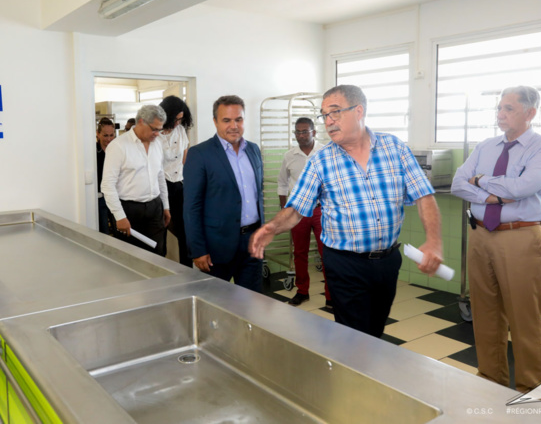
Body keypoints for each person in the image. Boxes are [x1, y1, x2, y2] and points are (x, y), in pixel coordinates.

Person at [250, 85, 443, 338]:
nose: (328, 121)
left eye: (335, 112)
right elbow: (296, 209)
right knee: (354, 335)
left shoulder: (394, 148)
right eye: (324, 115)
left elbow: (423, 195)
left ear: (359, 111)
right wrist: (271, 227)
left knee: (374, 329)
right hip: (344, 263)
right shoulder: (321, 160)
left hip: (387, 261)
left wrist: (434, 241)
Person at [450, 86, 541, 393]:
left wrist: (481, 181)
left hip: (519, 237)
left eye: (508, 108)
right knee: (484, 313)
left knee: (524, 318)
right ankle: (490, 380)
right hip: (480, 234)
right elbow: (459, 184)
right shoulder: (485, 146)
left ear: (530, 113)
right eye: (499, 108)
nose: (500, 114)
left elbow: (523, 187)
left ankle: (532, 389)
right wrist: (494, 196)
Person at [183, 95, 264, 292]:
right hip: (216, 247)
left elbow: (257, 195)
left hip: (252, 242)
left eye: (238, 119)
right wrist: (198, 249)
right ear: (215, 121)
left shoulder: (253, 150)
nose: (233, 126)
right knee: (215, 304)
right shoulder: (199, 154)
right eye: (226, 120)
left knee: (252, 302)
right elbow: (192, 207)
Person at [277, 117, 332, 308]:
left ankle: (331, 295)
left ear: (313, 132)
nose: (301, 135)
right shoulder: (289, 156)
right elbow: (282, 183)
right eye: (297, 132)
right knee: (299, 252)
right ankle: (302, 291)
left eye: (304, 131)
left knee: (327, 253)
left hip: (321, 210)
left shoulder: (325, 152)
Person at [101, 105, 171, 256]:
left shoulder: (157, 144)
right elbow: (107, 185)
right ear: (141, 122)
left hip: (155, 207)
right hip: (129, 210)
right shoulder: (118, 146)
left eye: (160, 130)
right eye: (154, 129)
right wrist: (119, 216)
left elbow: (160, 176)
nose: (157, 134)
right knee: (130, 257)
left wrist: (165, 206)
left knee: (158, 254)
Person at [159, 96, 193, 267]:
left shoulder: (180, 131)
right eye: (176, 119)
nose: (178, 122)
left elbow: (184, 158)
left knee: (184, 230)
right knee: (160, 230)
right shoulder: (155, 133)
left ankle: (186, 270)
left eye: (181, 119)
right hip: (160, 186)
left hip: (178, 184)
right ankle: (160, 266)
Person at [96, 117, 116, 234]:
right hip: (100, 198)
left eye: (111, 135)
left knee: (119, 231)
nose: (109, 139)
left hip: (116, 196)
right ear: (98, 134)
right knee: (103, 231)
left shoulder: (117, 150)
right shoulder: (92, 152)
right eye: (105, 135)